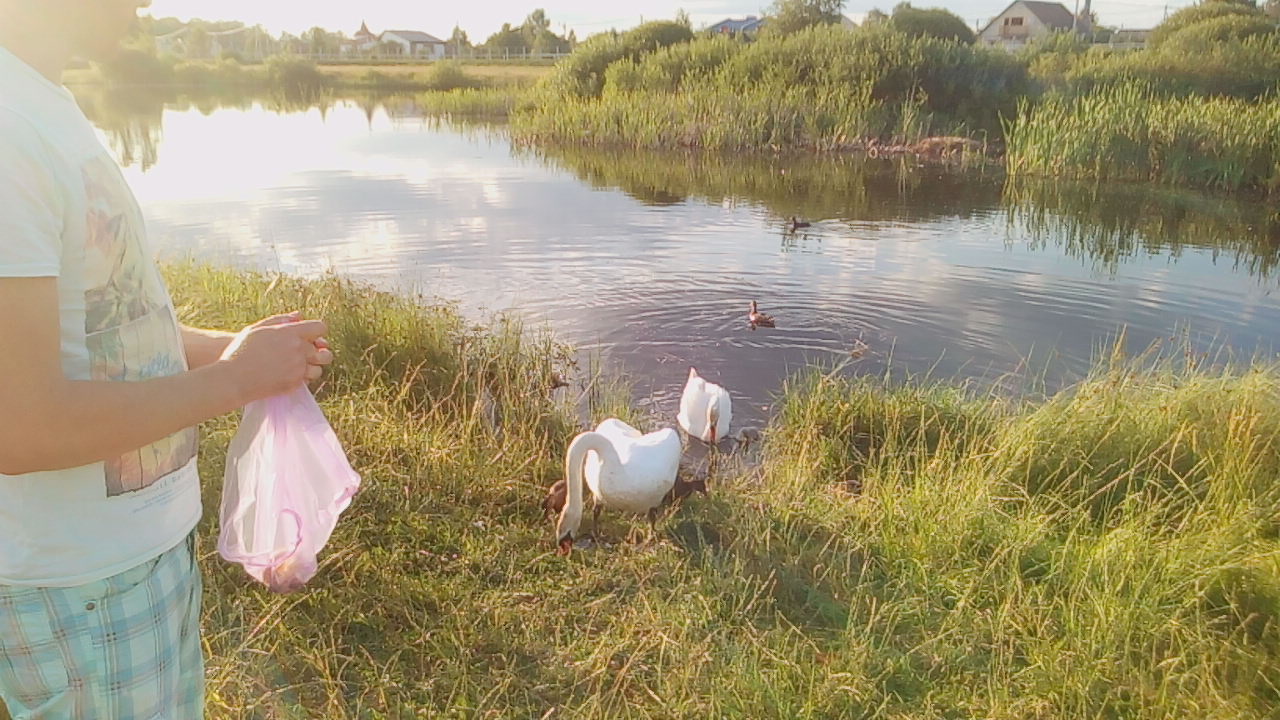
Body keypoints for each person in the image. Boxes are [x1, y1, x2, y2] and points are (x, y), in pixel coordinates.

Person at [0, 2, 333, 717]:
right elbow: (20, 427)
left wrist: (238, 350)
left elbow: (107, 323)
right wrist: (236, 379)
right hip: (78, 582)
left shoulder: (44, 101)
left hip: (134, 560)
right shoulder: (7, 128)